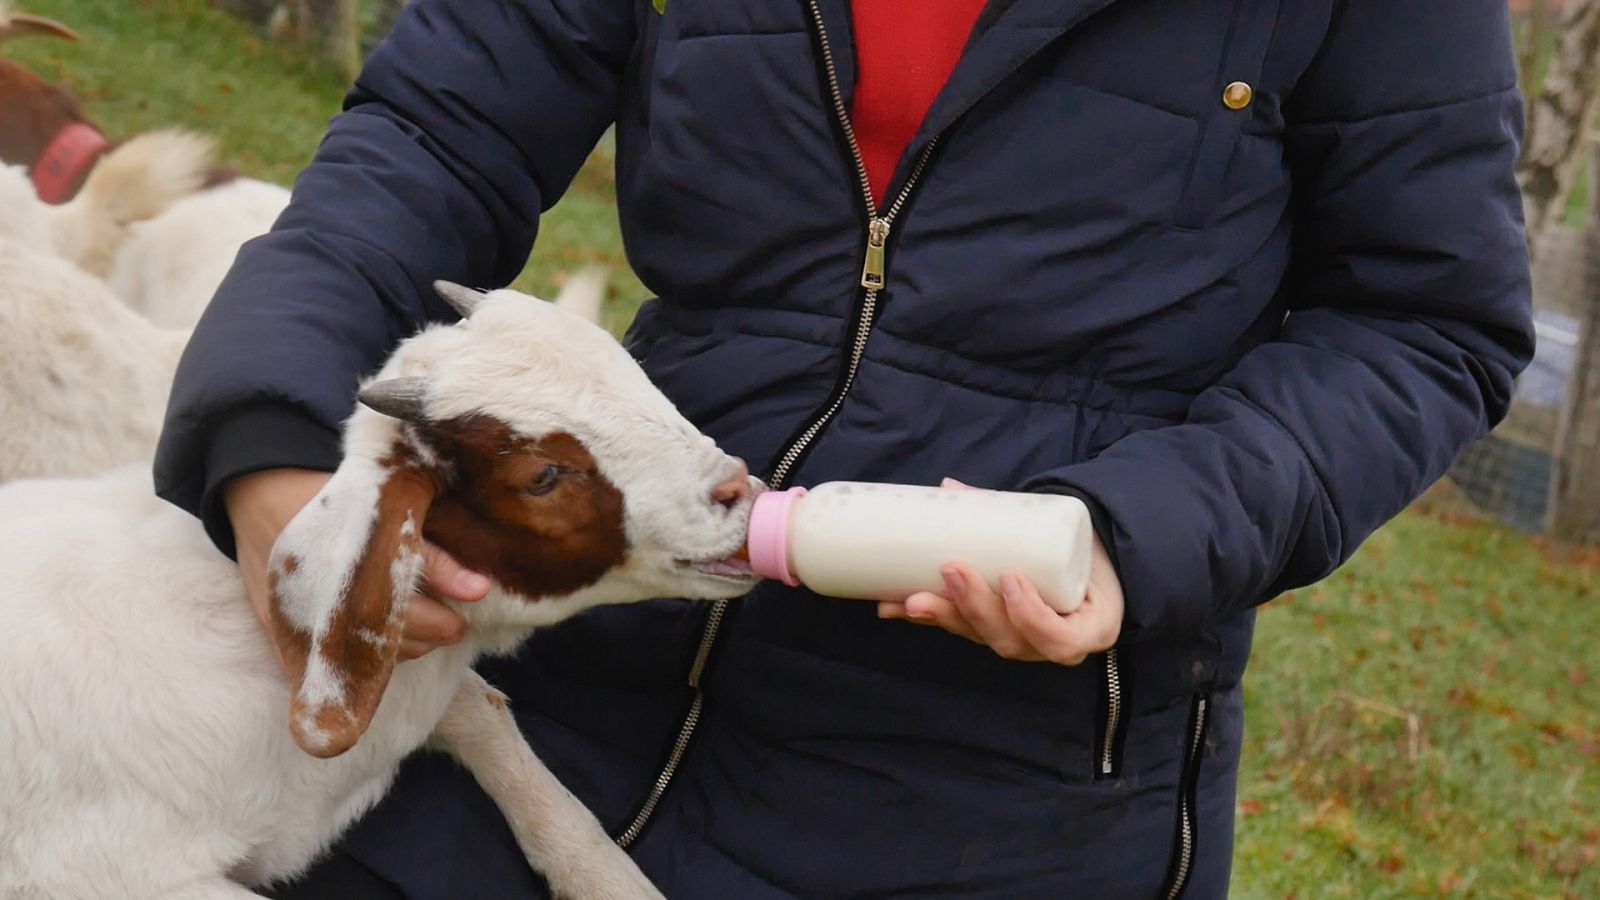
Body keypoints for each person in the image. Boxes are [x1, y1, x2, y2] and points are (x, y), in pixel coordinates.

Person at [154, 1, 1534, 897]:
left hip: (1004, 795)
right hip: (566, 688)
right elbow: (435, 134)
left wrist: (1135, 531)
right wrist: (269, 435)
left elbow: (1423, 319)